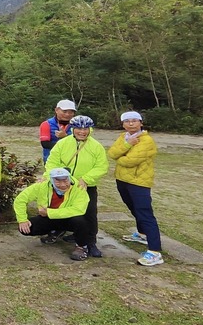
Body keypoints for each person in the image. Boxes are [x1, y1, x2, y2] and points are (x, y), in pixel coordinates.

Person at [44, 115, 109, 256]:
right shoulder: (62, 143)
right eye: (78, 128)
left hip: (86, 186)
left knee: (90, 214)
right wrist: (55, 177)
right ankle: (64, 231)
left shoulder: (96, 146)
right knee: (62, 209)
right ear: (72, 129)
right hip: (64, 185)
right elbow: (52, 161)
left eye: (85, 128)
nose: (82, 132)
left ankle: (91, 243)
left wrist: (86, 179)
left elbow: (102, 166)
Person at [109, 111, 163, 266]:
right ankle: (142, 234)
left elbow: (129, 161)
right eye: (127, 121)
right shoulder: (123, 137)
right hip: (122, 179)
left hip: (139, 181)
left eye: (134, 121)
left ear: (141, 123)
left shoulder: (146, 141)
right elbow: (112, 153)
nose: (130, 124)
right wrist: (127, 145)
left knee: (144, 212)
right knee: (133, 208)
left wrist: (121, 155)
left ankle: (155, 251)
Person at [14, 167, 92, 261]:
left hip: (69, 219)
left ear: (69, 178)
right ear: (51, 180)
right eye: (58, 181)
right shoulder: (42, 185)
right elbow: (20, 200)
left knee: (80, 221)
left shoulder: (79, 187)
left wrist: (49, 212)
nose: (63, 184)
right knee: (26, 228)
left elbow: (79, 209)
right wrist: (22, 220)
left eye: (65, 180)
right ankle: (56, 231)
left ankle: (82, 246)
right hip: (49, 217)